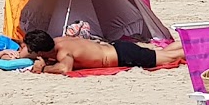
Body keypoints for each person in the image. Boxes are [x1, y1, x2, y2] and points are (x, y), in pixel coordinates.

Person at [22, 29, 185, 74]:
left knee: (169, 58)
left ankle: (198, 47)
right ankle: (187, 43)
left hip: (122, 56)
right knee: (162, 53)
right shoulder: (58, 40)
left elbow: (65, 69)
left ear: (40, 51)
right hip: (118, 48)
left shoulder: (63, 53)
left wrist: (44, 68)